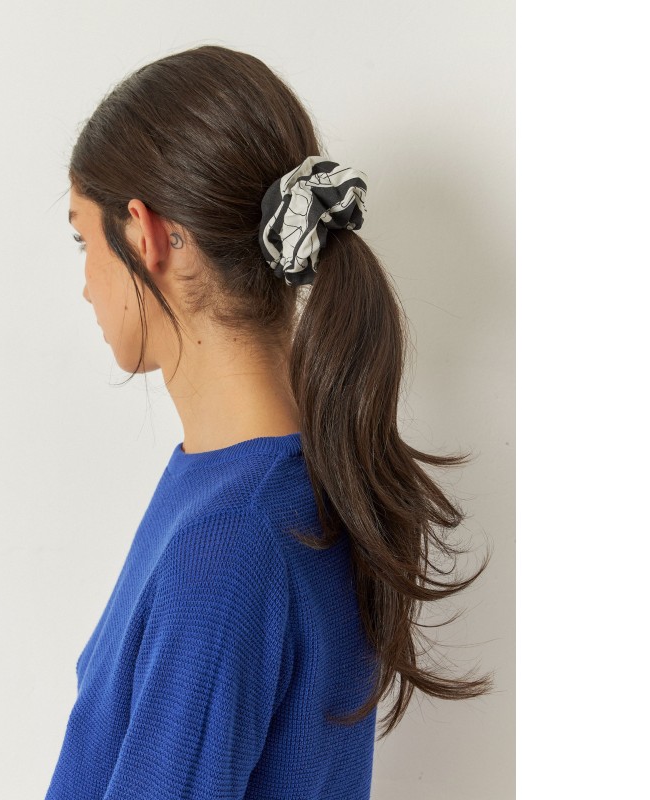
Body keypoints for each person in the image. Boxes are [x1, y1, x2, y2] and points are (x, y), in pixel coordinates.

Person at [45, 44, 494, 800]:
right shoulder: (285, 480)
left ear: (144, 235)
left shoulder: (230, 539)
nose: (86, 282)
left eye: (82, 239)